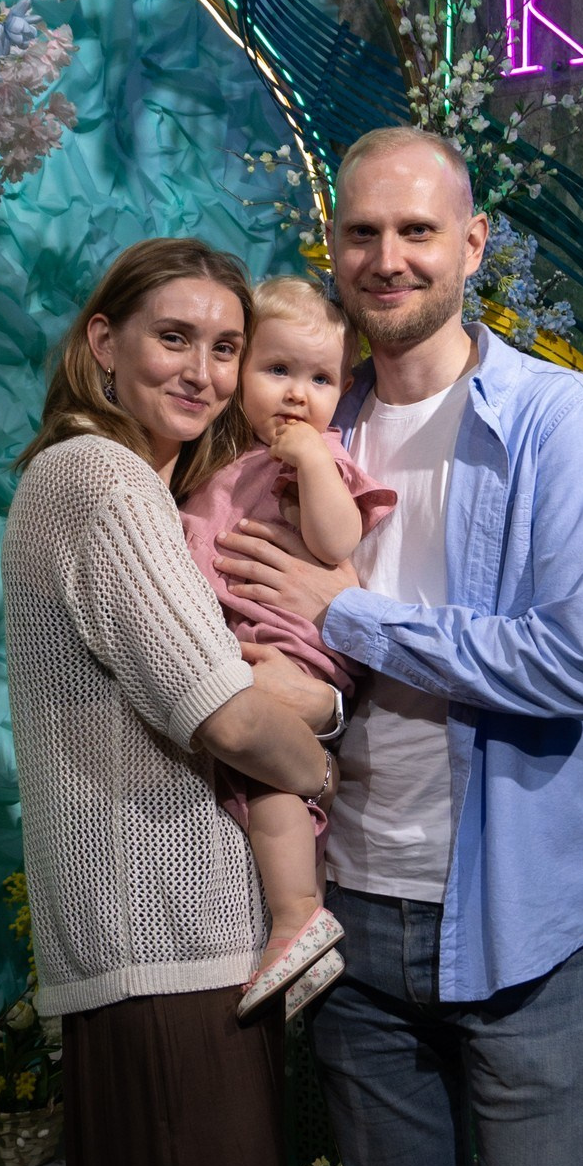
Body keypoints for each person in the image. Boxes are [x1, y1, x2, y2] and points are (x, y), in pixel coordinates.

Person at [212, 125, 583, 1166]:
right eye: (362, 232)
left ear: (472, 245)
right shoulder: (309, 424)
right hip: (355, 934)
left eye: (417, 231)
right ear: (333, 249)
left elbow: (580, 662)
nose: (388, 258)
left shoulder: (555, 420)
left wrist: (351, 616)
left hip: (523, 937)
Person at [2, 236, 335, 1166]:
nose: (202, 369)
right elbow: (232, 717)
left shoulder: (126, 486)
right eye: (172, 338)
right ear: (103, 344)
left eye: (225, 346)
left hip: (158, 963)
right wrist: (326, 741)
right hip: (166, 963)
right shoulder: (101, 480)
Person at [181, 276, 396, 1017]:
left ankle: (298, 914)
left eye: (321, 379)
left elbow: (336, 541)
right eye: (277, 370)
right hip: (237, 643)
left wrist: (309, 460)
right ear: (240, 371)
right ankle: (291, 924)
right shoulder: (222, 459)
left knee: (270, 778)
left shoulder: (317, 457)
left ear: (345, 389)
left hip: (291, 648)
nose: (299, 395)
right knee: (242, 781)